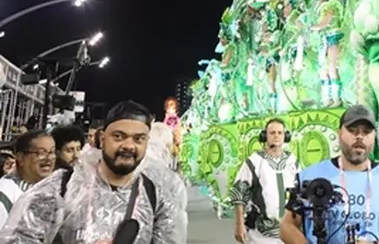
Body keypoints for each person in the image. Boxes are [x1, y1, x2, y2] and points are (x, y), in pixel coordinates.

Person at [0, 100, 188, 243]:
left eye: (139, 139)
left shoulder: (157, 197)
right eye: (119, 136)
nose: (129, 145)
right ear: (102, 138)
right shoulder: (60, 188)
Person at [281, 105, 379, 244]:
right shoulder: (311, 177)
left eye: (366, 132)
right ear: (339, 133)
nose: (359, 137)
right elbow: (287, 225)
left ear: (374, 136)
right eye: (352, 131)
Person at [231, 118, 298, 243]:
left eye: (280, 133)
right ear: (264, 136)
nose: (276, 136)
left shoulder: (293, 161)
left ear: (286, 136)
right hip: (260, 234)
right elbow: (239, 193)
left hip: (289, 230)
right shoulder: (254, 161)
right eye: (272, 133)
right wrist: (239, 224)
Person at [0, 130, 56, 228]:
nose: (48, 158)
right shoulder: (5, 193)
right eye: (41, 153)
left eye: (51, 152)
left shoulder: (52, 192)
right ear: (21, 158)